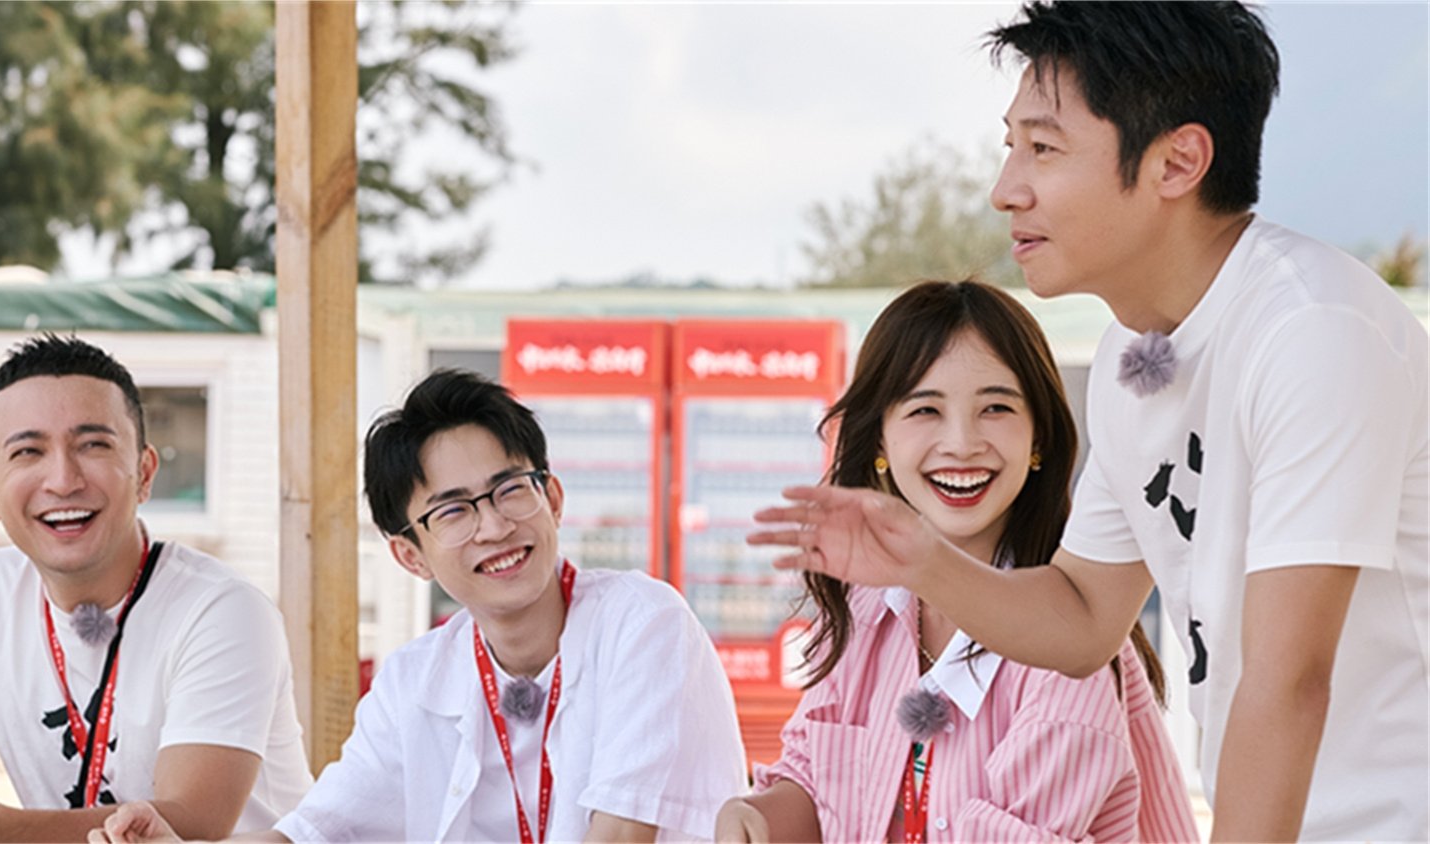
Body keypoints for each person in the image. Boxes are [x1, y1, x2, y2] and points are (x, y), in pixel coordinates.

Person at [751, 3, 1429, 841]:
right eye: (1010, 147)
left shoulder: (1314, 332)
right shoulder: (1131, 359)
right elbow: (1080, 615)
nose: (1006, 189)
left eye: (1043, 148)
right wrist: (921, 561)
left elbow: (1289, 680)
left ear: (1177, 162)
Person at [92, 368, 748, 843]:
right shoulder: (416, 677)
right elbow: (315, 834)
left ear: (552, 499)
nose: (494, 526)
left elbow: (622, 837)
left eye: (510, 490)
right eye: (453, 511)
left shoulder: (642, 622)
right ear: (410, 555)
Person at [717, 280, 1197, 843]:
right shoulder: (866, 605)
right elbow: (813, 782)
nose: (962, 443)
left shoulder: (1065, 650)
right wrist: (756, 817)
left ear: (1038, 439)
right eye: (925, 409)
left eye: (996, 408)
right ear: (880, 441)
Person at [0, 335, 313, 842]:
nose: (63, 480)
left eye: (93, 445)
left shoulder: (224, 609)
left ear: (144, 473)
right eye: (28, 451)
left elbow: (187, 824)